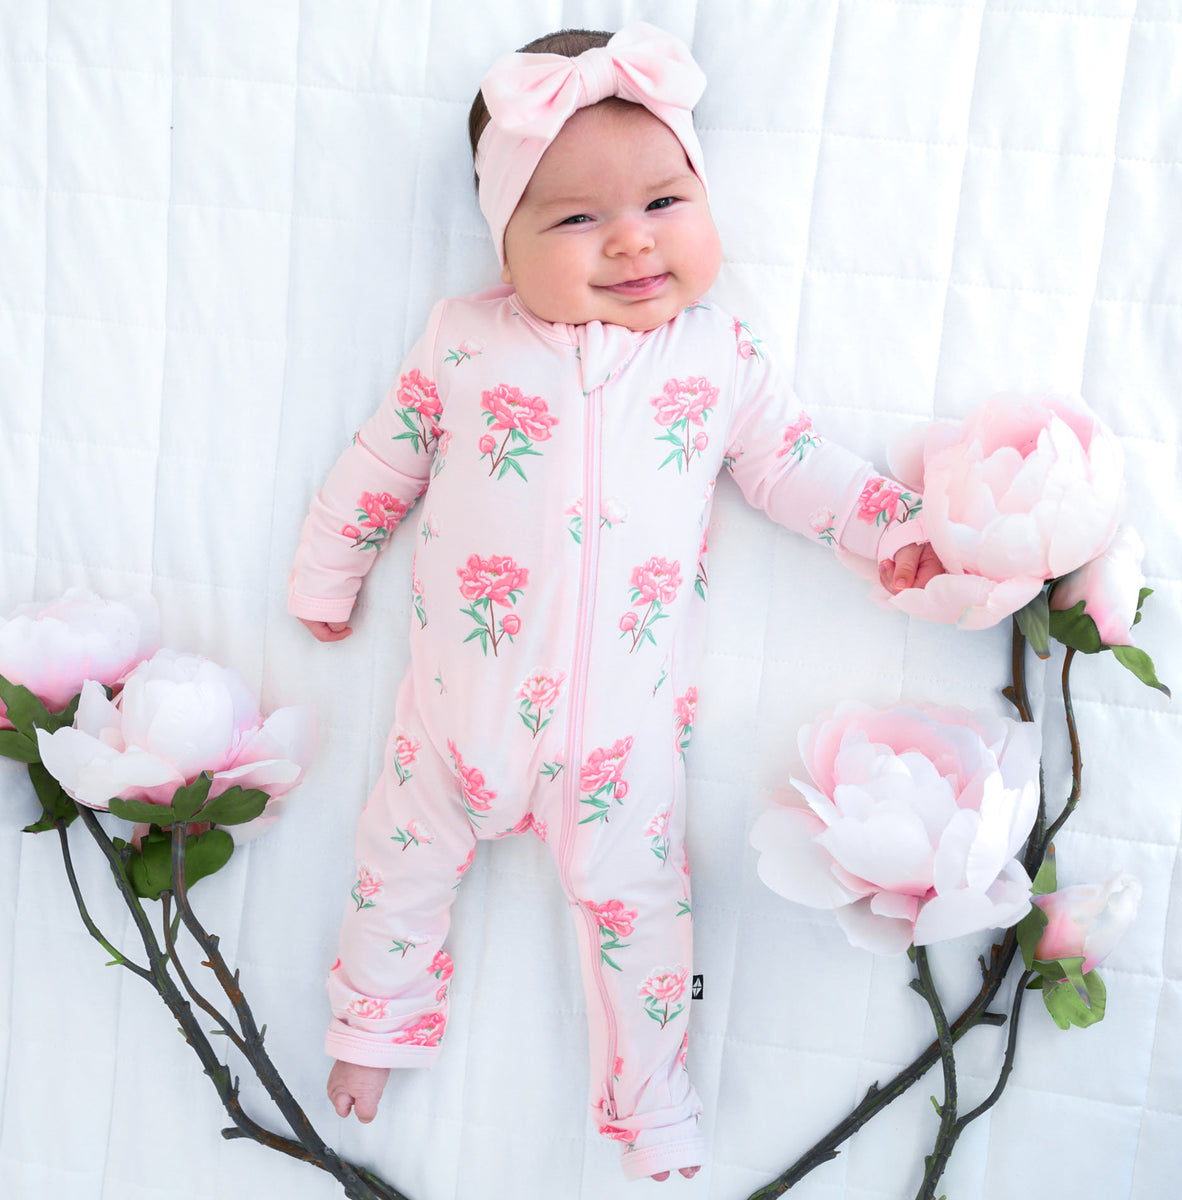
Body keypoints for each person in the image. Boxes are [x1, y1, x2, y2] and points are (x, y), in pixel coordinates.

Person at [288, 22, 943, 1183]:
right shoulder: (464, 343)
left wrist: (893, 529)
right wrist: (326, 572)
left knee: (646, 920)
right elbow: (379, 464)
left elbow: (796, 467)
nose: (631, 240)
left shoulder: (715, 358)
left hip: (621, 747)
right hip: (453, 718)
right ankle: (373, 1029)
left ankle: (655, 1108)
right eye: (576, 218)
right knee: (394, 867)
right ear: (506, 238)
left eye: (664, 200)